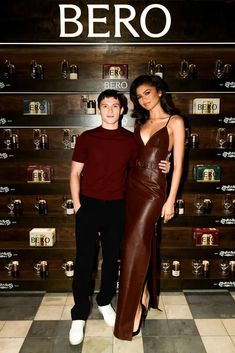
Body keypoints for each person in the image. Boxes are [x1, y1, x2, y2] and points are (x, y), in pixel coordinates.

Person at [69, 89, 170, 345]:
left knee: (113, 260)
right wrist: (79, 206)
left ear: (123, 109)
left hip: (118, 208)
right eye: (105, 106)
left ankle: (104, 302)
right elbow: (74, 173)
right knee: (84, 261)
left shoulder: (130, 140)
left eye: (115, 105)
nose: (111, 110)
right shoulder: (87, 138)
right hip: (89, 206)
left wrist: (166, 164)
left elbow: (145, 163)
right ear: (98, 109)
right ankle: (79, 315)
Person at [114, 75, 185, 340]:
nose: (143, 99)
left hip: (154, 190)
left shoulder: (174, 122)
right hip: (131, 188)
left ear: (160, 91)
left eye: (147, 93)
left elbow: (178, 165)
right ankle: (142, 294)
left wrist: (170, 200)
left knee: (134, 246)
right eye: (139, 97)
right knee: (135, 245)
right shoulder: (138, 124)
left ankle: (132, 310)